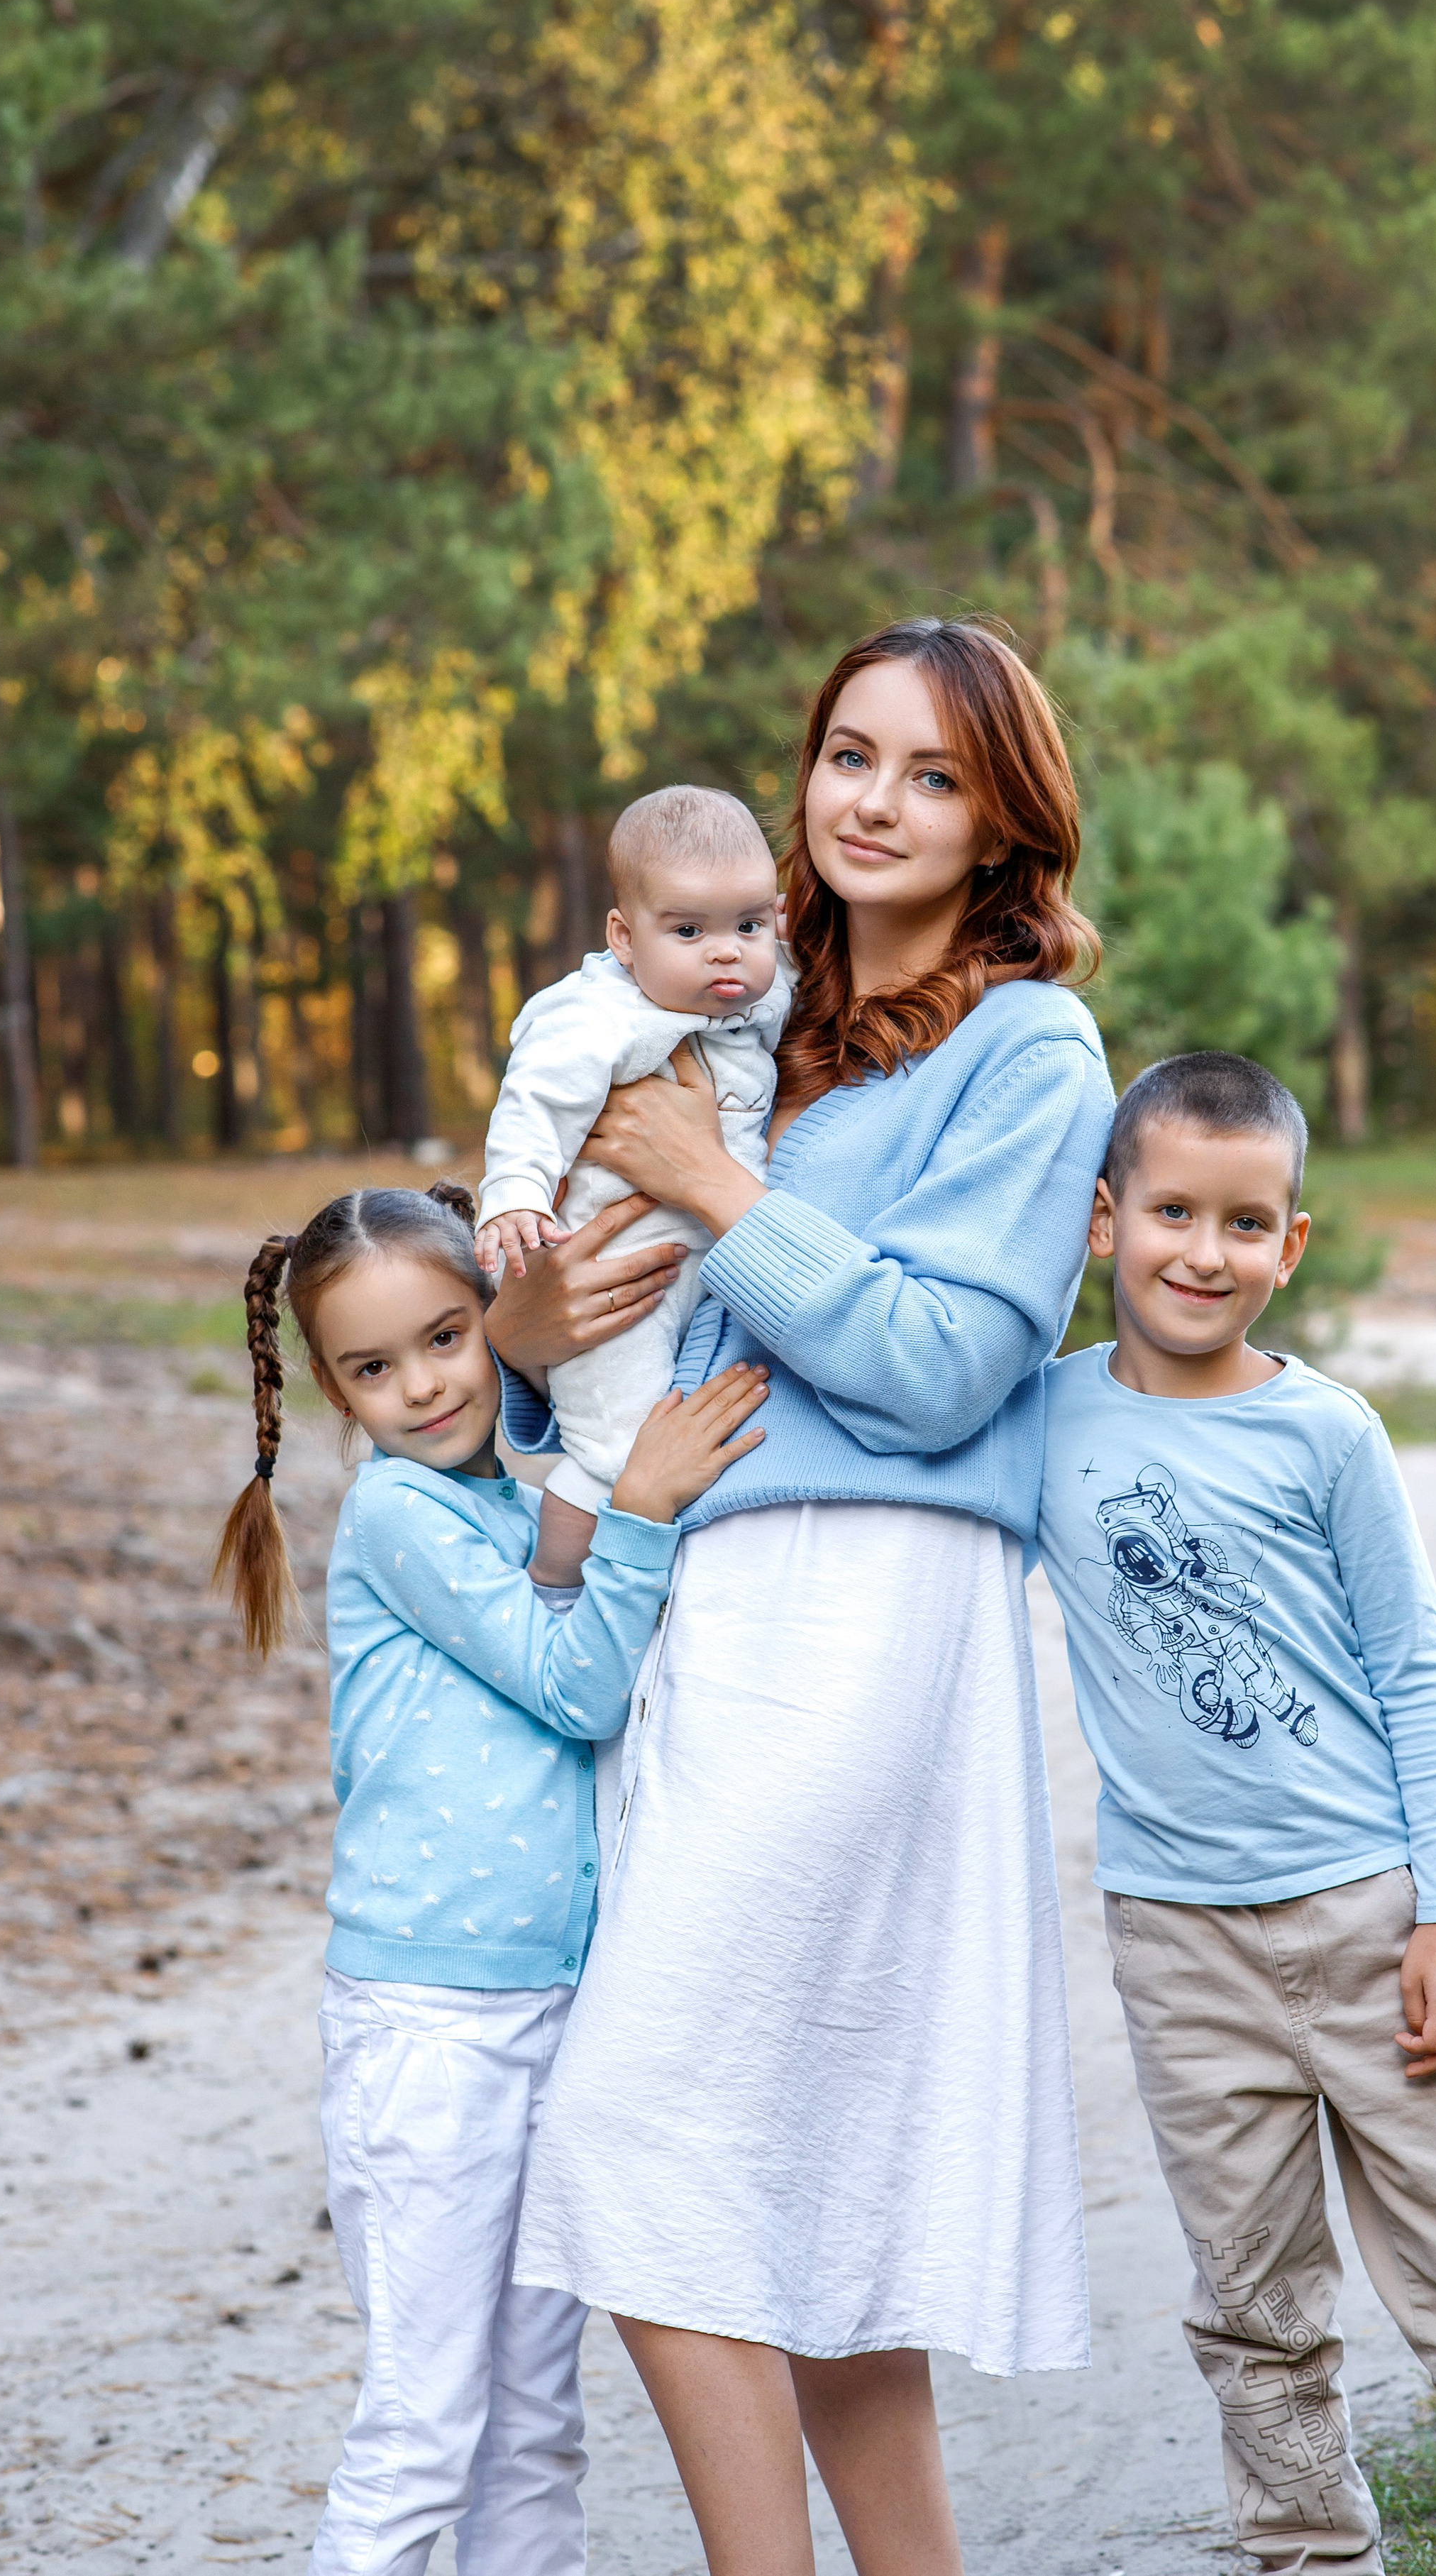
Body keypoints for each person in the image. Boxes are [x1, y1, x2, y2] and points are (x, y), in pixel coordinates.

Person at [482, 617, 1116, 2576]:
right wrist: (523, 1338)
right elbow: (606, 1332)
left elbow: (945, 1365)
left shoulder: (1029, 1049)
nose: (877, 801)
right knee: (817, 2169)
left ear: (1004, 820)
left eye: (934, 774)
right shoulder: (739, 997)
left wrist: (718, 1186)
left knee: (631, 2125)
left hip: (865, 1610)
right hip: (699, 1588)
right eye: (851, 754)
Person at [1037, 1051, 1436, 2576]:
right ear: (1103, 1222)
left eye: (1244, 1223)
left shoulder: (1327, 1433)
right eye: (1172, 1211)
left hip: (1368, 1918)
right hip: (1177, 1945)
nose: (1203, 1252)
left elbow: (1415, 1671)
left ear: (1289, 1244)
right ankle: (1308, 2552)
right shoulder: (1039, 1422)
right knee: (1253, 2300)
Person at [211, 1178, 768, 2576]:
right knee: (425, 2424)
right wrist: (641, 1507)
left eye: (447, 1338)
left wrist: (610, 1498)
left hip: (550, 2015)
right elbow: (578, 1684)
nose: (421, 1386)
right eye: (373, 1367)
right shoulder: (400, 1515)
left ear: (495, 1321)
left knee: (532, 2428)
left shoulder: (510, 1506)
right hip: (431, 2034)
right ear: (333, 1389)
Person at [475, 785, 790, 1590]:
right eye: (688, 930)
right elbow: (536, 1101)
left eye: (748, 926)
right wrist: (516, 1191)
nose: (726, 953)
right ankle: (556, 1586)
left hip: (713, 1264)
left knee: (686, 1429)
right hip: (616, 1278)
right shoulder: (597, 1016)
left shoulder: (763, 992)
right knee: (620, 1449)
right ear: (624, 937)